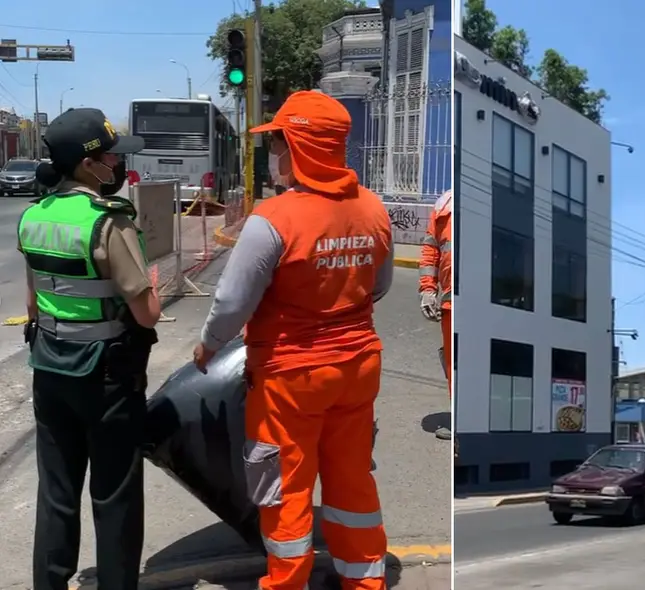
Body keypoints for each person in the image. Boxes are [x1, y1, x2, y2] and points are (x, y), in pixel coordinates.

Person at [193, 90, 393, 590]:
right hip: (357, 369)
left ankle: (287, 583)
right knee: (352, 481)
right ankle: (365, 581)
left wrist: (208, 346)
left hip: (290, 378)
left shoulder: (273, 220)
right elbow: (381, 285)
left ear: (300, 147)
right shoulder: (374, 210)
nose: (275, 155)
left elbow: (232, 302)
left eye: (279, 143)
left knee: (284, 489)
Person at [20, 108, 159, 590]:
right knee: (114, 495)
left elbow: (34, 304)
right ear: (87, 165)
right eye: (109, 158)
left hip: (49, 370)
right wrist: (151, 289)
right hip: (107, 380)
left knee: (56, 493)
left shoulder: (34, 216)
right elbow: (147, 314)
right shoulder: (109, 222)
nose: (116, 167)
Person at [418, 189, 453, 441]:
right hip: (452, 302)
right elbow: (431, 251)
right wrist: (428, 290)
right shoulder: (444, 206)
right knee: (454, 365)